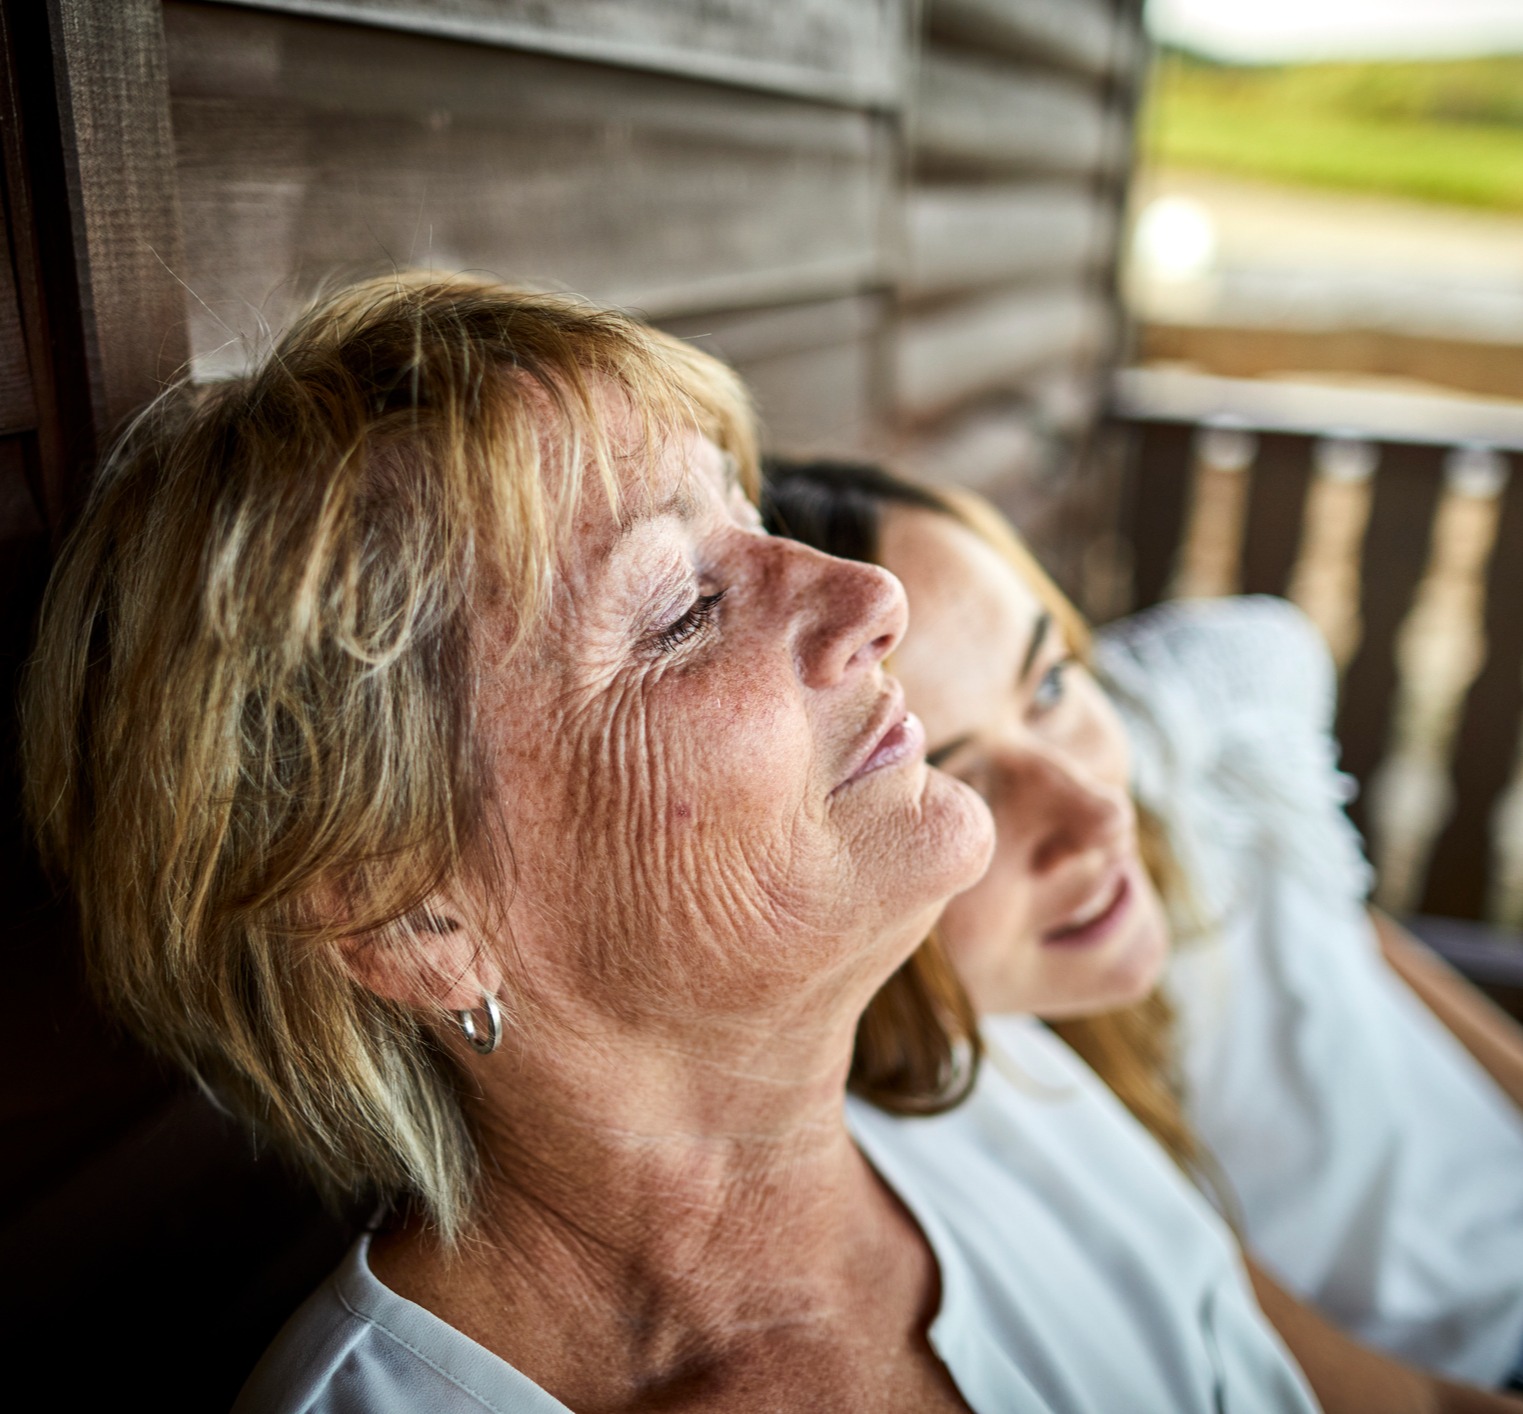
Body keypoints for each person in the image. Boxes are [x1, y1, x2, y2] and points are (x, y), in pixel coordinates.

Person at [20, 273, 1329, 1413]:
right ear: (415, 914)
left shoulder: (1010, 1103)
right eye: (684, 609)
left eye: (743, 516)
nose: (869, 597)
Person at [765, 457, 1523, 1398]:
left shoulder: (1209, 788)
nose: (1094, 814)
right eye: (947, 781)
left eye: (1049, 685)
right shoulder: (1018, 1128)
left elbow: (1360, 939)